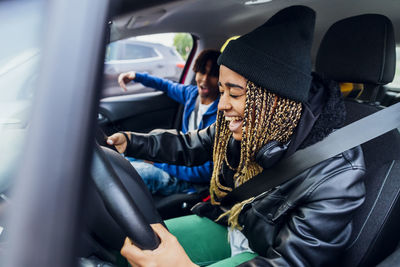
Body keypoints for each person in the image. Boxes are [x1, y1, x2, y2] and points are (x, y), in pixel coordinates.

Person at [107, 6, 365, 266]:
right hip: (229, 224)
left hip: (263, 254)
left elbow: (291, 262)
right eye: (222, 91)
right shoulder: (246, 126)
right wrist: (132, 142)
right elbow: (191, 145)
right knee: (127, 254)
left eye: (235, 93)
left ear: (273, 100)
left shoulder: (337, 173)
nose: (221, 105)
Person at [117, 49, 221, 195]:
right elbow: (166, 85)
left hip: (191, 179)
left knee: (126, 175)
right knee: (120, 157)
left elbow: (206, 171)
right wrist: (136, 76)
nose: (204, 79)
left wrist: (159, 162)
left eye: (213, 75)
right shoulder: (191, 95)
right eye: (202, 72)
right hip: (177, 159)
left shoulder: (221, 114)